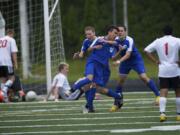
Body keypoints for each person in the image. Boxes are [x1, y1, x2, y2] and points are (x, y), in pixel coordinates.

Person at [71, 25, 123, 113]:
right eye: (115, 33)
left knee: (99, 89)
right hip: (95, 65)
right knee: (90, 85)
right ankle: (89, 106)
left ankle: (117, 97)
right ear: (109, 32)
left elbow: (114, 54)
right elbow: (89, 49)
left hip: (104, 69)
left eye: (117, 34)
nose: (116, 35)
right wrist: (80, 54)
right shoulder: (99, 39)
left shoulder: (114, 42)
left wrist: (119, 50)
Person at [110, 25, 160, 112]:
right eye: (118, 31)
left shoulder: (130, 40)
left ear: (125, 32)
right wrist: (119, 52)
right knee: (120, 81)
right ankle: (117, 103)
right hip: (125, 62)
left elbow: (128, 55)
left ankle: (158, 95)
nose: (120, 32)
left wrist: (119, 61)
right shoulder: (115, 41)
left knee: (143, 77)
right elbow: (113, 57)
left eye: (122, 31)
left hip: (135, 60)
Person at [144, 25, 180, 122]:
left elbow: (146, 50)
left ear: (163, 32)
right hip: (175, 69)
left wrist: (155, 61)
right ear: (172, 32)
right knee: (178, 92)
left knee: (163, 91)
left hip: (163, 70)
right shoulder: (177, 40)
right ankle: (178, 115)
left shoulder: (158, 41)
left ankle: (162, 114)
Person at [0, 29, 18, 102]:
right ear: (11, 34)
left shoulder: (0, 39)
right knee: (12, 78)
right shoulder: (11, 40)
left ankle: (4, 98)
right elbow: (13, 52)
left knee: (3, 80)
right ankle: (4, 90)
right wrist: (16, 63)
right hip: (7, 62)